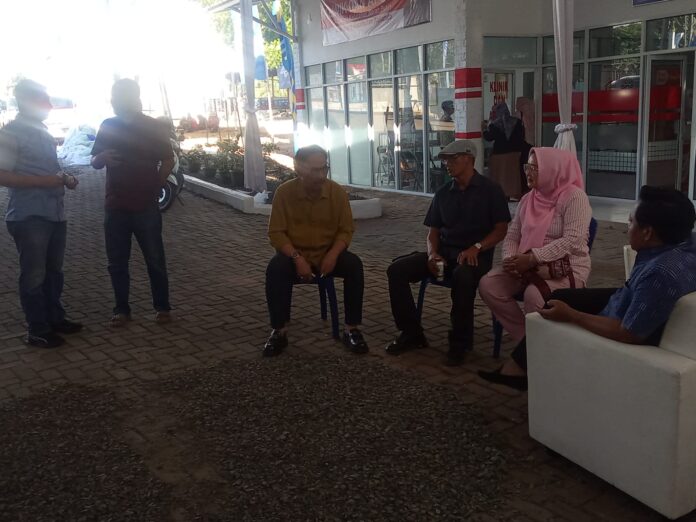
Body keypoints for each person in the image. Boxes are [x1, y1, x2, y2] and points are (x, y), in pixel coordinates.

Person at [479, 186, 696, 391]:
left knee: (558, 309)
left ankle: (526, 372)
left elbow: (628, 332)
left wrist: (572, 315)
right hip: (632, 298)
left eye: (631, 222)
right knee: (559, 297)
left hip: (624, 326)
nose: (627, 228)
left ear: (648, 233)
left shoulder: (660, 273)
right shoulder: (684, 244)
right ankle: (521, 366)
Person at [385, 140, 510, 366]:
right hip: (444, 254)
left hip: (475, 257)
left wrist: (477, 247)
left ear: (469, 159)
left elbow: (501, 229)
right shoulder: (443, 193)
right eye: (445, 160)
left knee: (463, 277)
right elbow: (433, 232)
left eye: (453, 159)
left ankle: (460, 342)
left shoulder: (491, 190)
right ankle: (411, 333)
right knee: (397, 270)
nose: (447, 164)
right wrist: (432, 254)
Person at [478, 147, 591, 349]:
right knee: (489, 285)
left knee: (533, 295)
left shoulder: (575, 197)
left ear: (553, 170)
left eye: (535, 168)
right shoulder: (528, 199)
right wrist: (511, 260)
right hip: (526, 266)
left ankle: (542, 350)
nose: (528, 173)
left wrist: (532, 258)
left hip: (565, 268)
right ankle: (528, 342)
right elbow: (513, 235)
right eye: (527, 167)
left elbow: (573, 240)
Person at [263, 145, 368, 357]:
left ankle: (351, 329)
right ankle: (279, 330)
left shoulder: (336, 193)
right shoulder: (284, 193)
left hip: (327, 253)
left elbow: (346, 230)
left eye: (324, 168)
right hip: (295, 255)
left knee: (354, 265)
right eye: (315, 170)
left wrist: (333, 254)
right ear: (298, 169)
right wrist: (296, 258)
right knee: (275, 268)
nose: (321, 175)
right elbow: (276, 232)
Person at [0, 79, 81, 348]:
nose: (49, 106)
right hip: (29, 216)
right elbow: (2, 175)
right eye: (43, 101)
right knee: (34, 276)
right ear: (25, 102)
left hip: (54, 213)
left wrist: (64, 178)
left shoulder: (42, 131)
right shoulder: (10, 133)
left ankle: (55, 318)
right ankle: (37, 329)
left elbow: (48, 169)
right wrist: (45, 182)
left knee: (53, 272)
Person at [91, 79, 175, 327]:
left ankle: (162, 307)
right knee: (116, 262)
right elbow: (94, 161)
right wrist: (102, 157)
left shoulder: (152, 126)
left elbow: (168, 159)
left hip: (145, 205)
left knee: (155, 259)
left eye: (119, 96)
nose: (115, 100)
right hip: (115, 205)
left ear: (133, 98)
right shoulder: (108, 125)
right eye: (114, 95)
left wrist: (157, 185)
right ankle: (121, 310)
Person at [483, 102, 527, 200]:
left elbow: (488, 137)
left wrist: (485, 127)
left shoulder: (495, 124)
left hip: (499, 155)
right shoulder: (516, 122)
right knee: (511, 177)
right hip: (514, 154)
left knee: (500, 177)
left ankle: (502, 195)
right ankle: (512, 194)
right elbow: (521, 136)